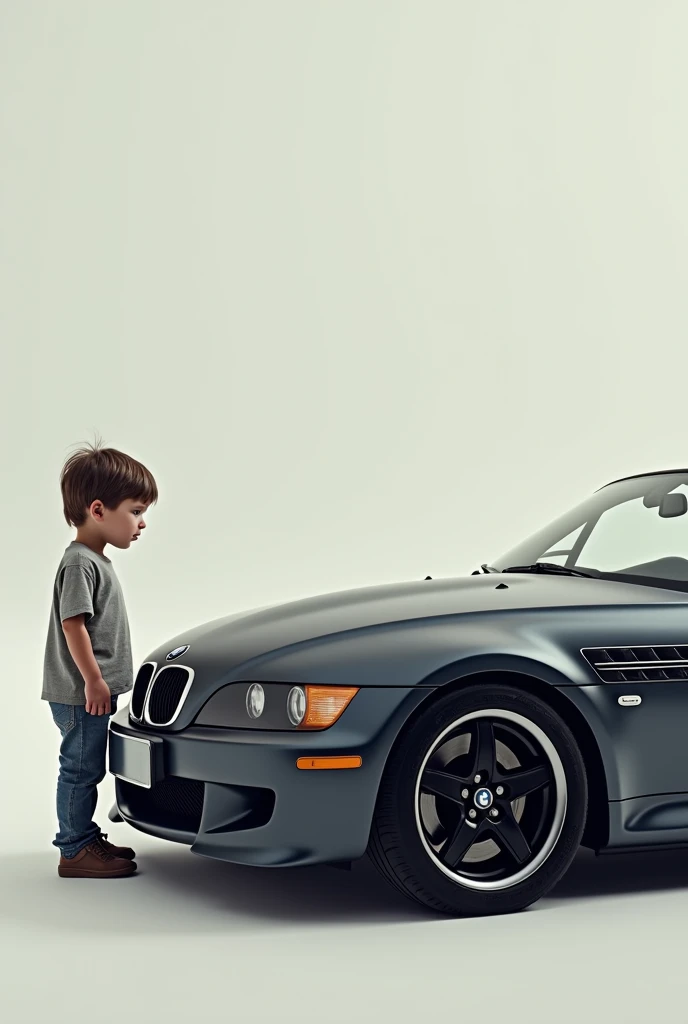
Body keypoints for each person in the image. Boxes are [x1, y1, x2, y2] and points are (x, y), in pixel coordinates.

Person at [42, 438, 158, 877]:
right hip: (82, 693)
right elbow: (73, 625)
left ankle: (85, 838)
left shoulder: (95, 560)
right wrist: (93, 680)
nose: (142, 523)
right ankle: (73, 850)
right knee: (80, 769)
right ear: (97, 510)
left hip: (92, 693)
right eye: (136, 511)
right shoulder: (79, 563)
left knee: (88, 766)